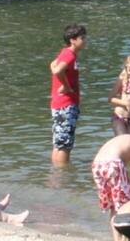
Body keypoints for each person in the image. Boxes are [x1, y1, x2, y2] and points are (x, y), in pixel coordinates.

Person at [49, 24, 86, 166]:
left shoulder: (65, 52)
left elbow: (52, 65)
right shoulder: (69, 55)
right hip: (66, 104)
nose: (85, 40)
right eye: (82, 38)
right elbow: (58, 70)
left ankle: (57, 175)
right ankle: (63, 176)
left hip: (59, 104)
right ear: (72, 40)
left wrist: (63, 81)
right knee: (65, 145)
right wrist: (66, 86)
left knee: (59, 143)